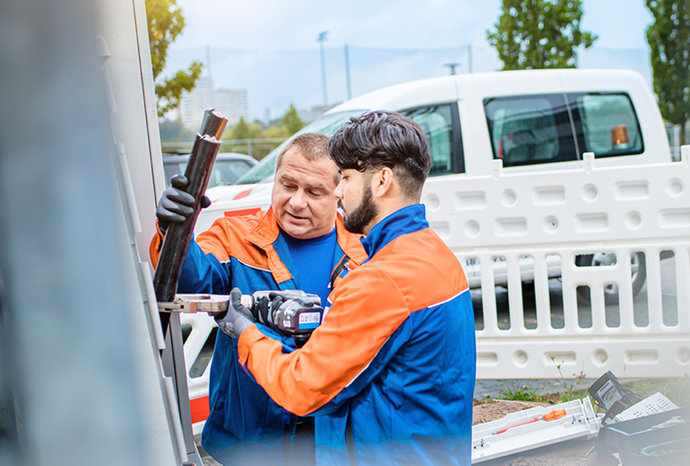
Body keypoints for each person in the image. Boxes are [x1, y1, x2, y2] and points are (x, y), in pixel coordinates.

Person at [220, 111, 477, 464]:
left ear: (382, 180)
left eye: (346, 178)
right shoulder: (435, 254)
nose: (339, 192)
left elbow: (303, 387)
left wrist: (246, 333)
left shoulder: (381, 279)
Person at [150, 133, 368, 464]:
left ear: (338, 195)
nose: (296, 201)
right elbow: (191, 279)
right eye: (288, 185)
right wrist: (174, 232)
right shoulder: (234, 237)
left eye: (313, 192)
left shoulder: (363, 253)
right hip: (249, 442)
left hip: (334, 441)